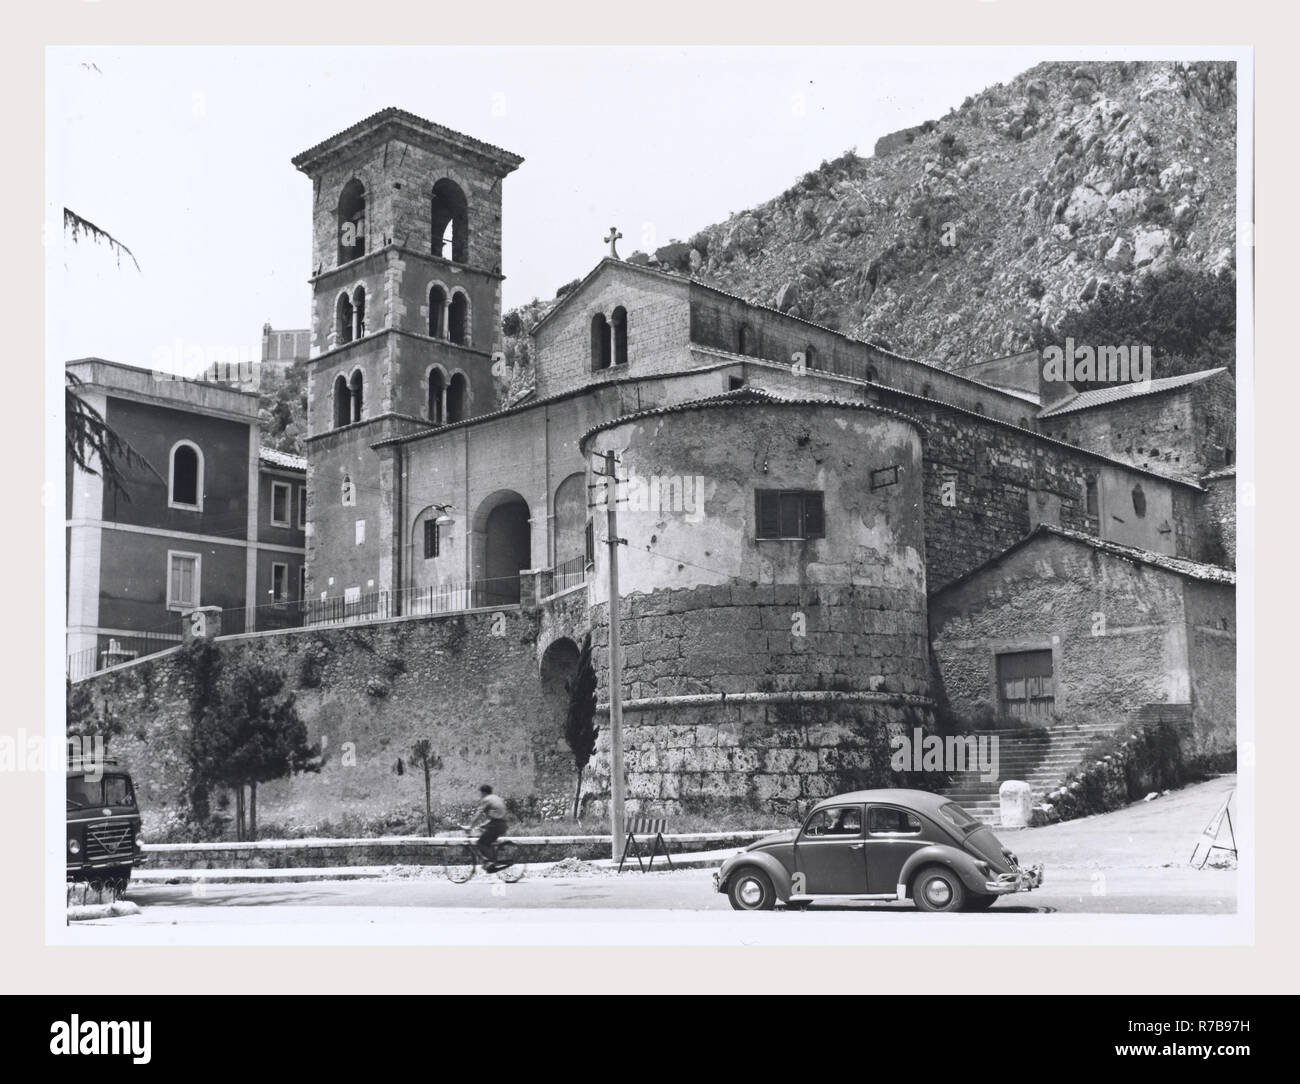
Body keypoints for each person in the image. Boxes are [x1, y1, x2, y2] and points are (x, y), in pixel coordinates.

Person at [469, 784, 509, 870]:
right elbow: (496, 814)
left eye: (480, 793)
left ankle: (490, 863)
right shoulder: (496, 798)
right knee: (488, 841)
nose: (480, 795)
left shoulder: (486, 799)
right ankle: (492, 861)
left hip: (496, 825)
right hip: (503, 825)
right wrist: (483, 825)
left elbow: (478, 814)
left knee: (480, 843)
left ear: (483, 793)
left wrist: (470, 826)